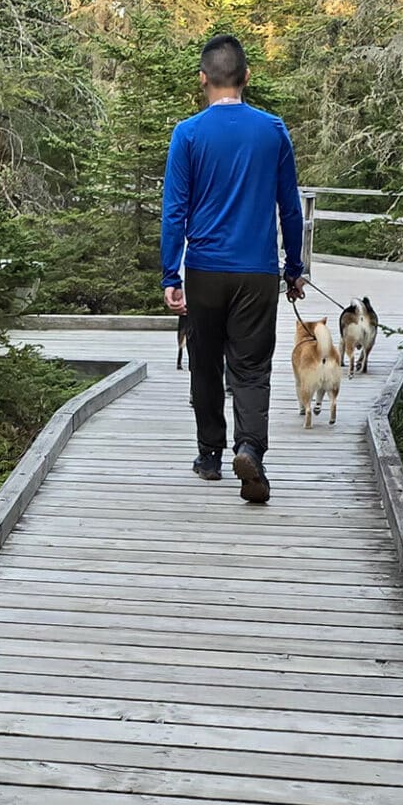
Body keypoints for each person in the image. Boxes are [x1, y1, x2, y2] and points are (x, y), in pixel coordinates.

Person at [160, 34, 306, 505]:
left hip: (204, 269)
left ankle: (209, 457)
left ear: (203, 79)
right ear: (246, 77)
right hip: (257, 272)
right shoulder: (272, 130)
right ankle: (250, 448)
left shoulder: (187, 134)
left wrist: (170, 275)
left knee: (205, 363)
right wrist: (294, 267)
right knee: (251, 366)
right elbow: (290, 207)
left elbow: (173, 212)